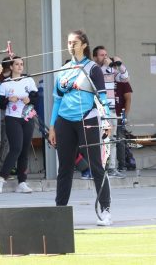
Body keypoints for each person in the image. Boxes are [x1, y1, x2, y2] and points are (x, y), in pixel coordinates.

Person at [48, 30, 112, 226]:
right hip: (64, 121)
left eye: (74, 42)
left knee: (95, 165)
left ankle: (105, 209)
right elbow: (57, 100)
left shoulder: (93, 68)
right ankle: (60, 211)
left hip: (87, 118)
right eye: (68, 42)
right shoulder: (64, 69)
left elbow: (102, 97)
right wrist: (52, 126)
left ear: (84, 45)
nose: (70, 45)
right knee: (65, 167)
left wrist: (107, 120)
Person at [0, 56, 38, 194]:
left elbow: (36, 97)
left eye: (21, 64)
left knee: (24, 150)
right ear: (11, 67)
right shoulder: (5, 83)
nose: (20, 66)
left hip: (27, 117)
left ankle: (22, 181)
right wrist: (8, 100)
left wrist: (29, 99)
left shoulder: (28, 80)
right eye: (16, 64)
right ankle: (1, 178)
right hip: (12, 118)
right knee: (16, 148)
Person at [93, 47, 129, 179]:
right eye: (102, 55)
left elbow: (125, 79)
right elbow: (96, 80)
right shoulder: (94, 69)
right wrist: (107, 67)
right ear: (95, 57)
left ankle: (112, 168)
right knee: (101, 140)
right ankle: (101, 168)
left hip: (112, 110)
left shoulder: (111, 69)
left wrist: (120, 65)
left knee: (112, 140)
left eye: (106, 55)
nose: (105, 57)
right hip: (100, 110)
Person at [115, 80, 133, 171]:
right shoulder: (102, 77)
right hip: (104, 115)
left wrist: (125, 116)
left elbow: (128, 98)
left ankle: (122, 165)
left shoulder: (122, 81)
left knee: (120, 140)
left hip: (118, 116)